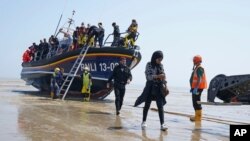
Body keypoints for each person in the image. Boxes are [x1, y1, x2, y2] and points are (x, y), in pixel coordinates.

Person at [134, 51, 168, 131]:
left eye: (161, 59)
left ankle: (162, 124)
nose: (160, 61)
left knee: (160, 106)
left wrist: (165, 85)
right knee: (147, 105)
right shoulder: (149, 64)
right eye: (159, 59)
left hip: (159, 88)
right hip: (150, 87)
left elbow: (163, 76)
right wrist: (158, 76)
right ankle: (144, 121)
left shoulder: (161, 65)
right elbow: (148, 77)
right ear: (155, 57)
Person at [189, 55, 207, 122]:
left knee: (197, 102)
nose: (193, 61)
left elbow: (199, 79)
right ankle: (197, 116)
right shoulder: (197, 68)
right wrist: (192, 87)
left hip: (198, 88)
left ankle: (198, 118)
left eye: (194, 60)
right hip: (195, 88)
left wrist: (196, 88)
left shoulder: (199, 68)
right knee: (195, 102)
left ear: (196, 61)